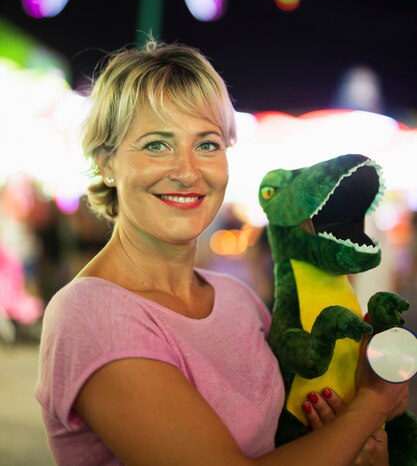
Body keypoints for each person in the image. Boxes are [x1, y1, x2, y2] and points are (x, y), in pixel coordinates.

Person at [35, 40, 408, 466]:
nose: (187, 171)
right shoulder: (90, 314)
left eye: (207, 144)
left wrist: (354, 446)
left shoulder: (238, 299)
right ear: (106, 162)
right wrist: (372, 406)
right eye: (157, 144)